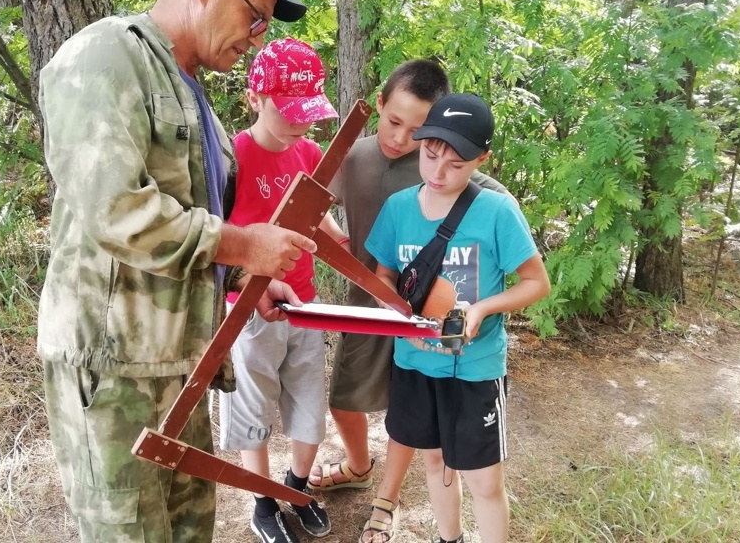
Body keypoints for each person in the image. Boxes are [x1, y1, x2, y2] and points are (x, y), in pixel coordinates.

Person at [36, 0, 317, 542]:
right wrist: (244, 247)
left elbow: (190, 225)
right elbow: (115, 210)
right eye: (256, 16)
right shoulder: (105, 56)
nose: (257, 36)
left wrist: (238, 280)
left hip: (181, 370)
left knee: (191, 533)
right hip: (114, 376)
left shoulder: (194, 94)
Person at [309, 60, 513, 542]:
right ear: (379, 105)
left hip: (426, 321)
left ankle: (387, 498)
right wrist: (340, 242)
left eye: (416, 129)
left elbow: (492, 206)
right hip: (368, 304)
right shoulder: (353, 156)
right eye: (393, 121)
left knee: (408, 410)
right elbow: (311, 202)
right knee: (344, 398)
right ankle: (359, 465)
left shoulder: (440, 166)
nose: (401, 139)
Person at [364, 93, 550, 543]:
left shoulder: (496, 211)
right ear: (422, 143)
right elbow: (384, 274)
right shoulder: (399, 208)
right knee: (434, 462)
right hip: (414, 363)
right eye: (431, 155)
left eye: (456, 164)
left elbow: (535, 283)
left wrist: (483, 307)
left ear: (481, 160)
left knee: (484, 481)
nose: (439, 173)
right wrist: (394, 308)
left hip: (474, 368)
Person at [218, 38, 346, 543]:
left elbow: (316, 209)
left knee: (308, 401)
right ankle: (264, 500)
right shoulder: (231, 157)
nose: (300, 122)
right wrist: (253, 276)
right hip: (249, 310)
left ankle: (298, 488)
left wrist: (340, 237)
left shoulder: (309, 151)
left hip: (305, 303)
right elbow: (219, 234)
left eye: (307, 111)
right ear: (255, 98)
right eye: (287, 110)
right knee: (253, 407)